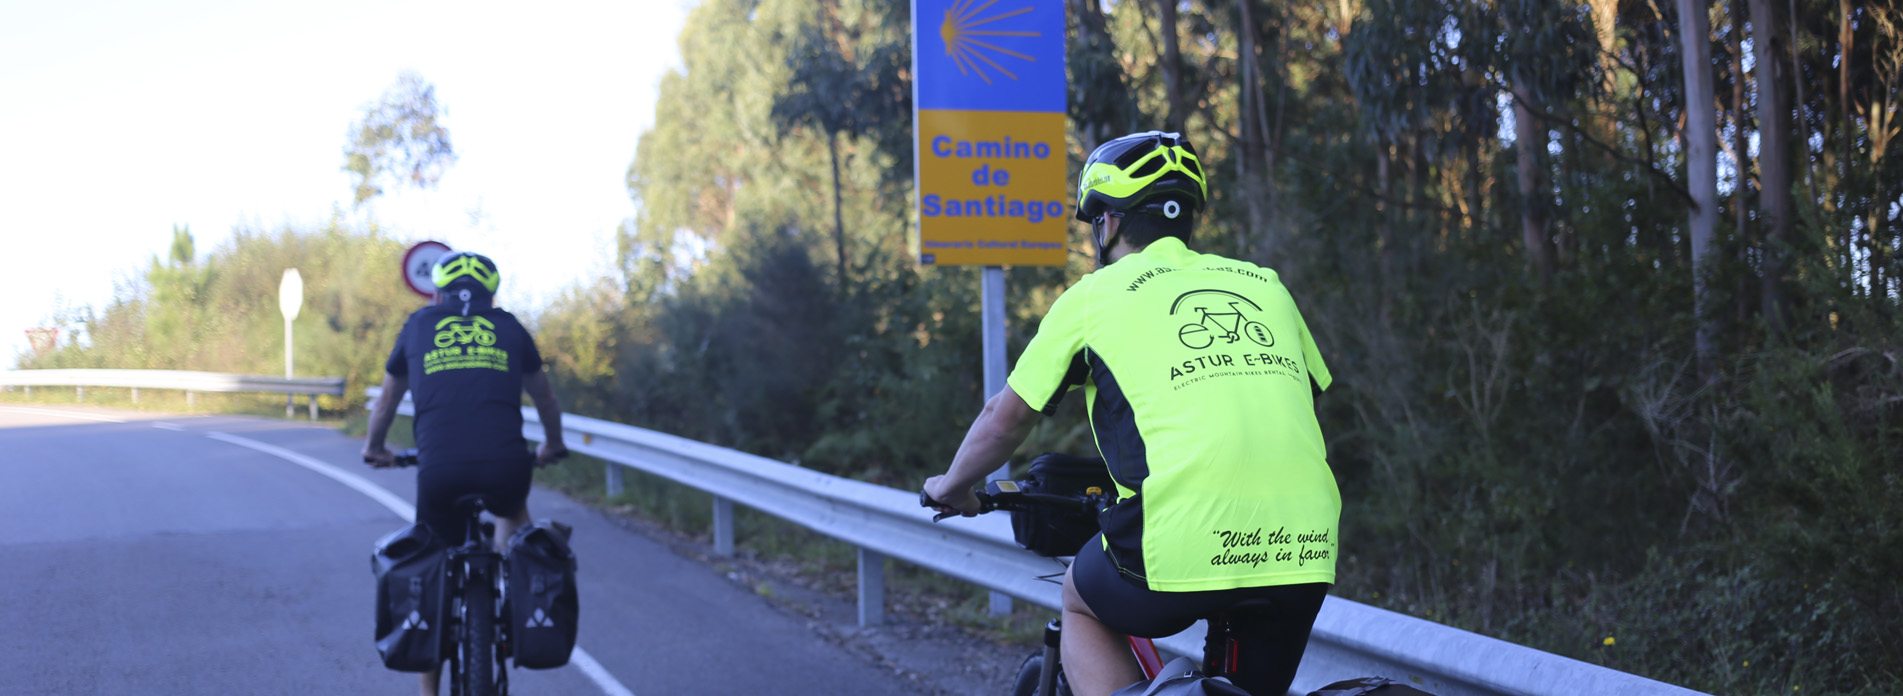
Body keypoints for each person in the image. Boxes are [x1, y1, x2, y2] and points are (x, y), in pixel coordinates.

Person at [923, 131, 1338, 696]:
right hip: (1305, 545)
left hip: (1180, 539)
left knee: (1080, 598)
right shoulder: (1265, 285)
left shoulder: (1093, 297)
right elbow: (1296, 402)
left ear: (1109, 224)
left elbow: (1006, 418)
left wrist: (953, 486)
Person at [362, 250, 568, 696]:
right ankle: (517, 609)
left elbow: (385, 403)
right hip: (507, 468)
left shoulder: (418, 326)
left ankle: (429, 694)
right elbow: (546, 401)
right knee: (514, 517)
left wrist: (375, 448)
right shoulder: (510, 328)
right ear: (491, 296)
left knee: (433, 566)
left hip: (439, 473)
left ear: (436, 293)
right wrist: (552, 445)